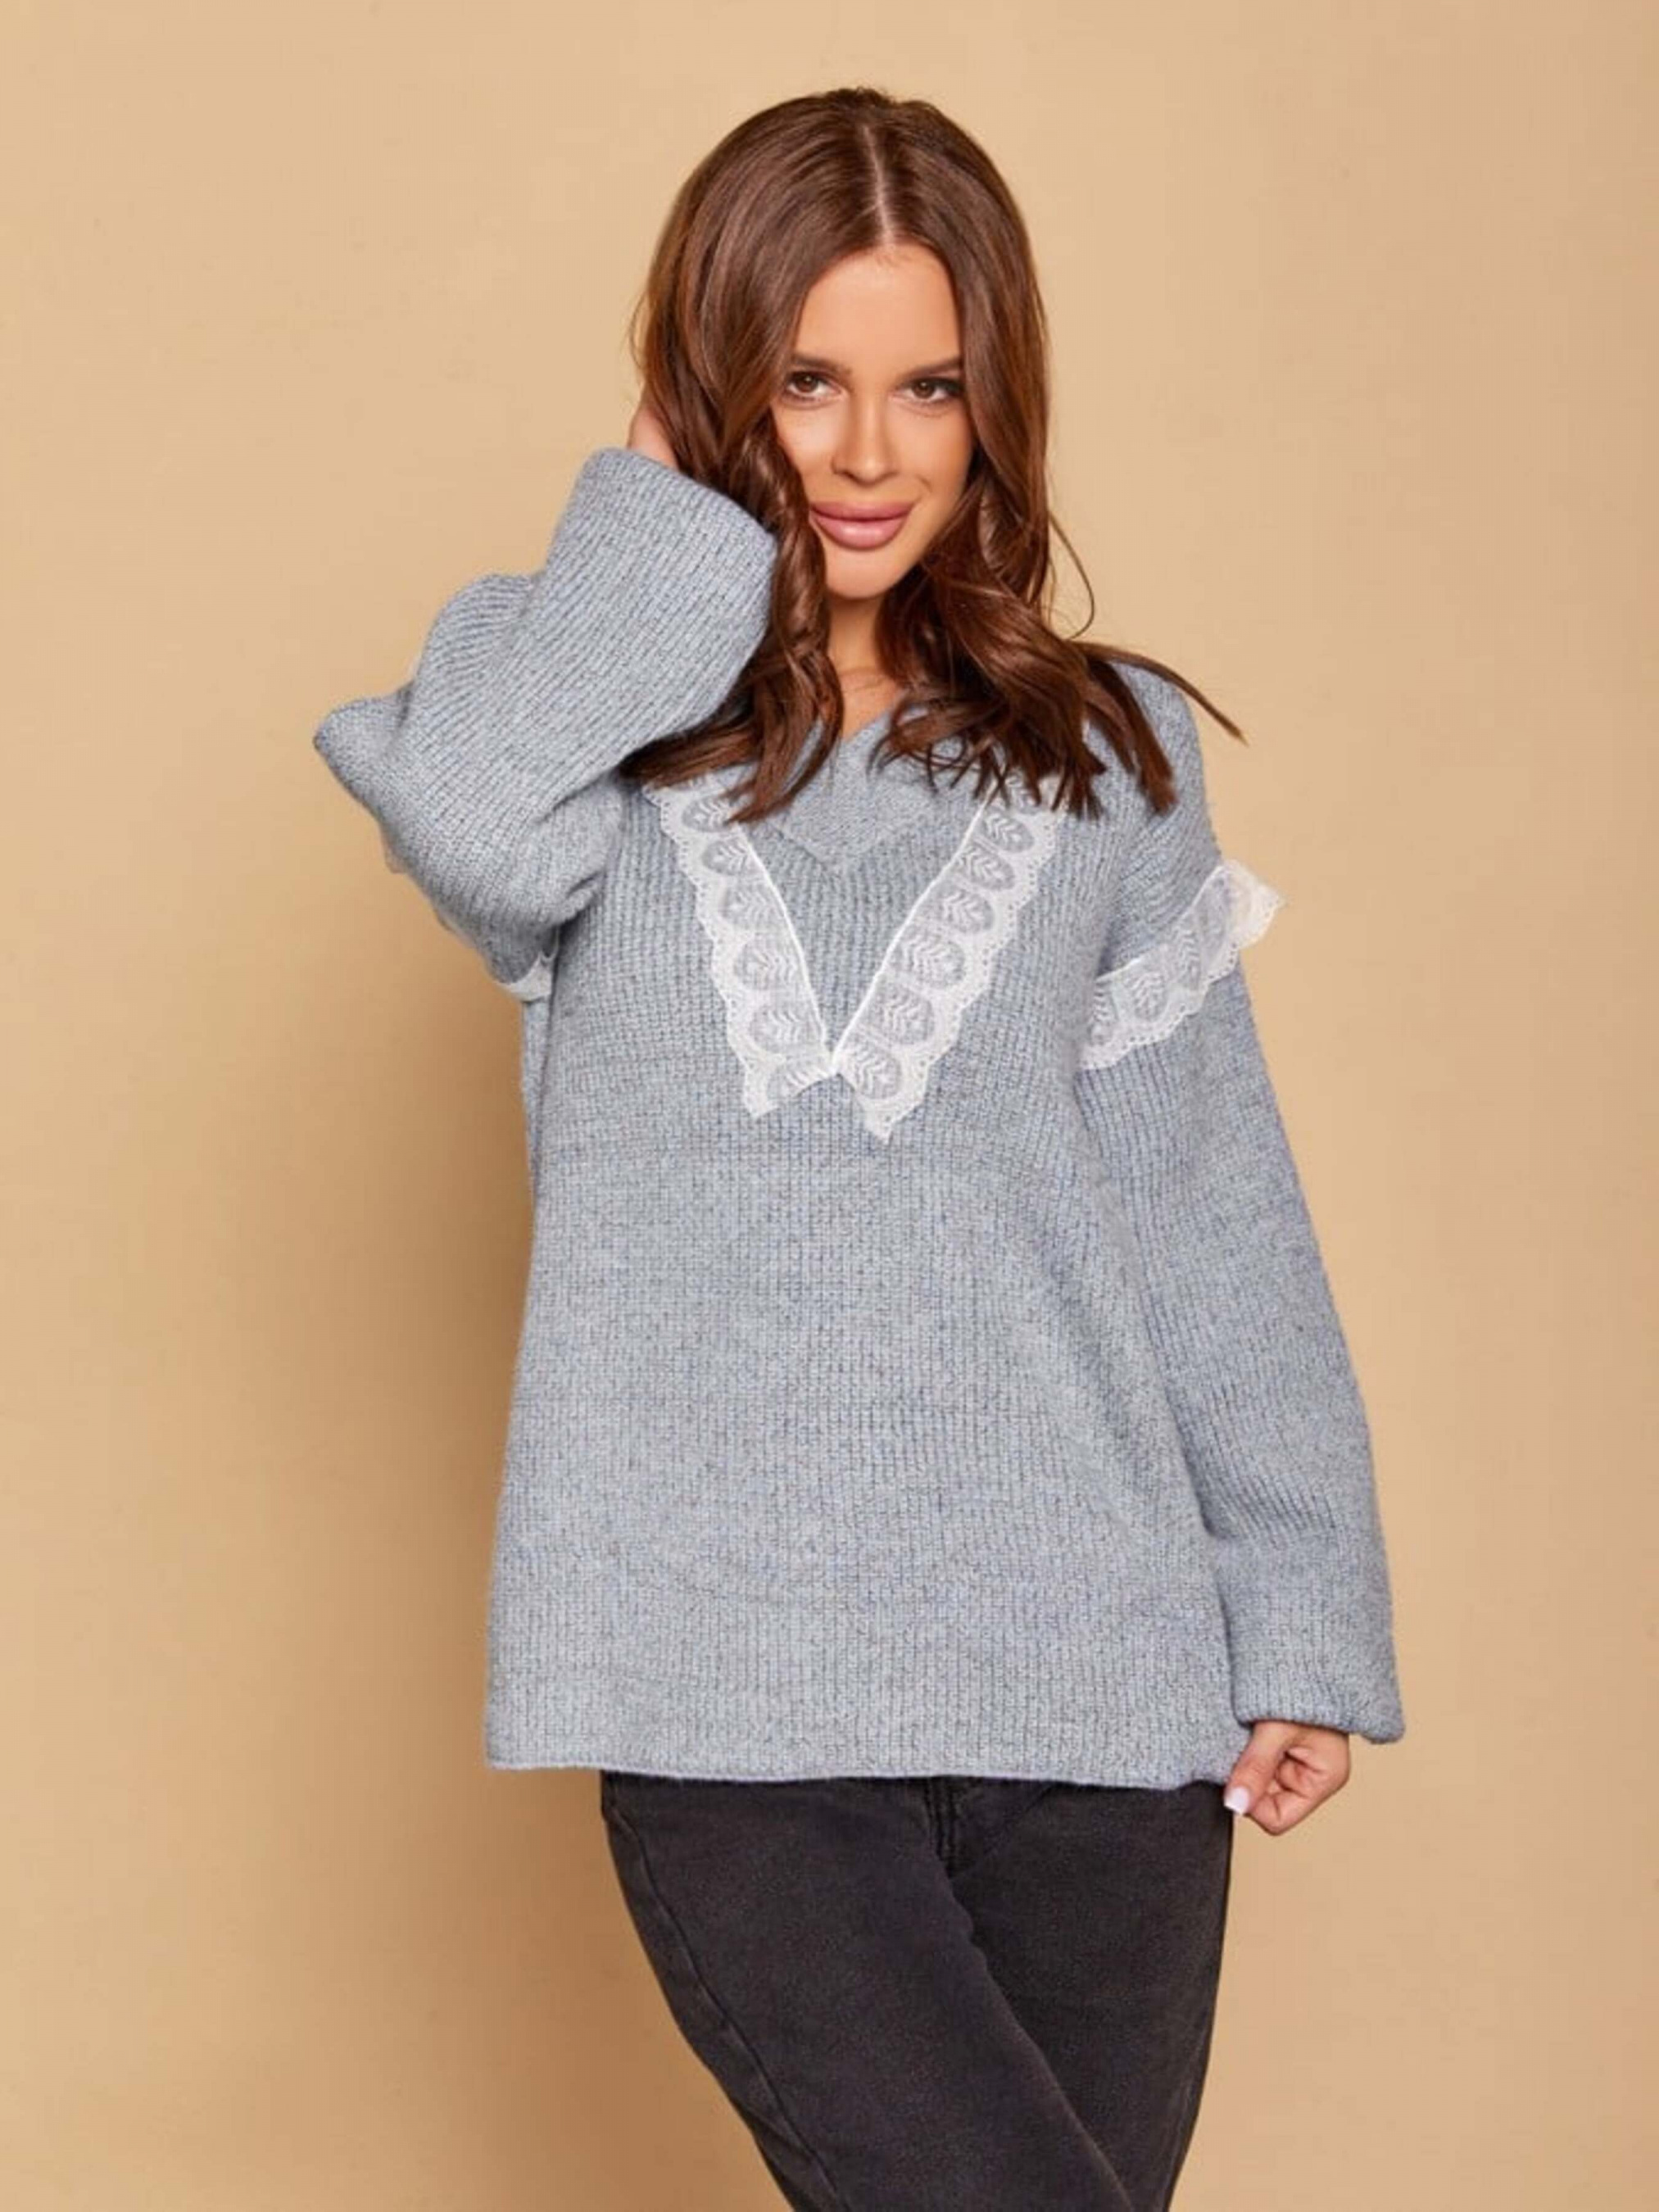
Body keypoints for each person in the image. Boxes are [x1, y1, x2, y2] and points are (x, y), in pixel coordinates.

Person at [312, 85, 1405, 2212]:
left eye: (929, 385)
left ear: (997, 404)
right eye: (803, 380)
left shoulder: (1109, 753)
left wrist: (1299, 1613)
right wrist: (656, 526)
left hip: (1100, 1706)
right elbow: (460, 811)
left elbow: (1206, 1201)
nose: (869, 451)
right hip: (726, 1711)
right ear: (707, 379)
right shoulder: (584, 752)